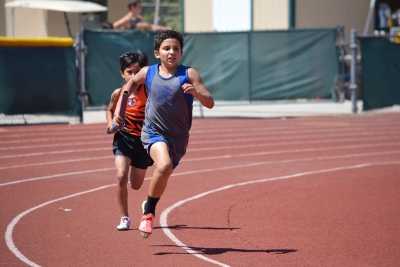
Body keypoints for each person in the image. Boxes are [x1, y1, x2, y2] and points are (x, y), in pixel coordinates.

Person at [114, 30, 214, 238]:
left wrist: (196, 93)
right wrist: (120, 110)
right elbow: (130, 84)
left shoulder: (190, 74)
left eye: (176, 48)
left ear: (182, 52)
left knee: (165, 172)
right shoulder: (149, 72)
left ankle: (148, 204)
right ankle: (148, 214)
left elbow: (210, 102)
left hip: (178, 137)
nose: (171, 52)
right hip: (153, 130)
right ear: (157, 53)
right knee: (164, 164)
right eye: (166, 48)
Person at [106, 50, 150, 231]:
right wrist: (111, 124)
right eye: (129, 72)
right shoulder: (118, 93)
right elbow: (110, 110)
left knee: (136, 186)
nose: (133, 75)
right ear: (122, 73)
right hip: (123, 139)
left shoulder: (148, 91)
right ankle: (124, 217)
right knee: (120, 176)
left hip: (144, 142)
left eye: (137, 71)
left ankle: (145, 205)